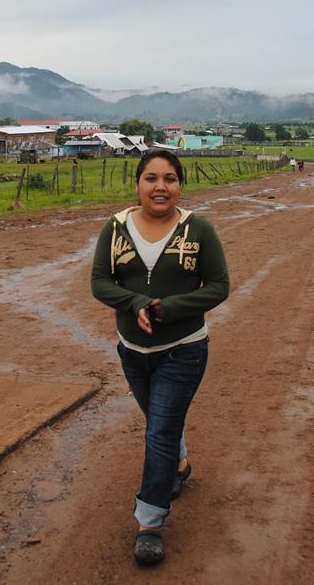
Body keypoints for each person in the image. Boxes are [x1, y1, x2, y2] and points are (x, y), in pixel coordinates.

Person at [91, 148, 230, 565]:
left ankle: (149, 522)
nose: (160, 186)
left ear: (180, 185)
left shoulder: (198, 229)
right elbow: (100, 281)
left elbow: (219, 286)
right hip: (132, 352)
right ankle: (179, 465)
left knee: (159, 432)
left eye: (169, 178)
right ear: (137, 184)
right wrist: (134, 302)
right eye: (151, 178)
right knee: (160, 422)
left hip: (184, 350)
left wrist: (169, 309)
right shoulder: (114, 229)